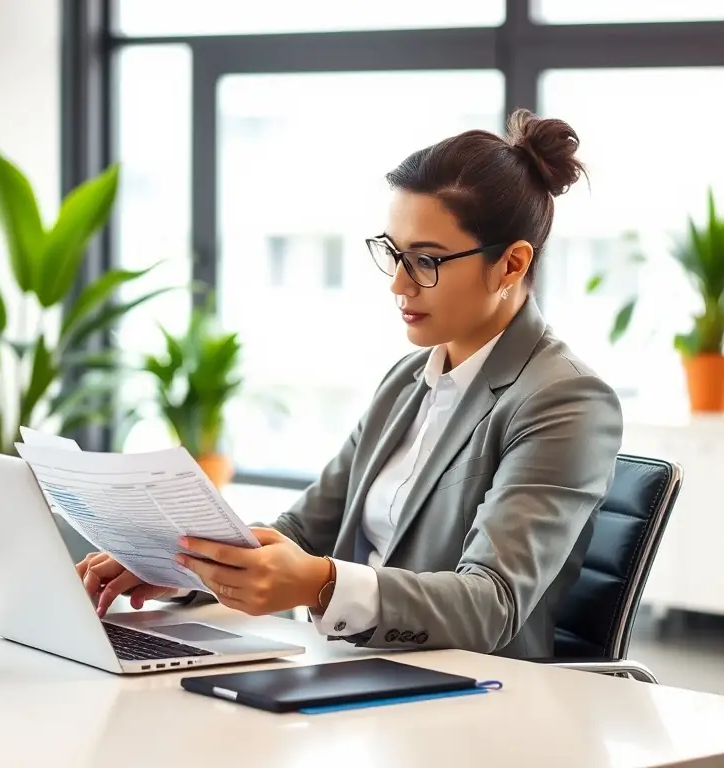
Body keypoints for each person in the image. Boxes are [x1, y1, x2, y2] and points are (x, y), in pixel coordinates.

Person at [76, 109, 623, 658]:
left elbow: (492, 605)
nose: (399, 285)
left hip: (466, 695)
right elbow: (306, 529)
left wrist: (323, 584)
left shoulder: (564, 399)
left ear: (510, 265)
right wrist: (182, 564)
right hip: (351, 666)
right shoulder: (408, 380)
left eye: (426, 261)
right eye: (393, 253)